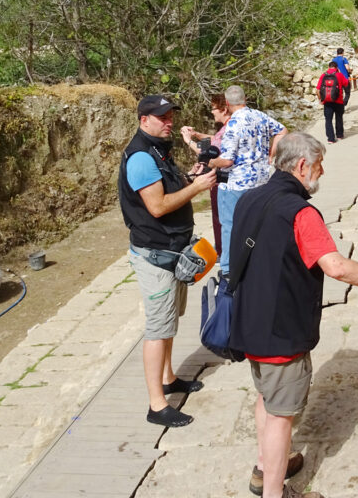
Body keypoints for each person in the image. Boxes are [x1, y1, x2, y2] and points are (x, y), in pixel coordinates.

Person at [230, 132, 358, 498]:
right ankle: (275, 492)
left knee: (266, 397)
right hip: (281, 329)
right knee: (280, 416)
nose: (322, 172)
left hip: (248, 321)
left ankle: (265, 466)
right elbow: (336, 266)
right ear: (302, 165)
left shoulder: (249, 198)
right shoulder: (301, 212)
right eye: (319, 164)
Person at [118, 95, 217, 428]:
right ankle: (157, 405)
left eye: (171, 115)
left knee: (170, 320)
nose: (169, 121)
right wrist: (197, 188)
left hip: (172, 251)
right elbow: (158, 207)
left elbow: (168, 187)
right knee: (158, 329)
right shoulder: (141, 158)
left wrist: (189, 178)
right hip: (155, 255)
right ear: (143, 120)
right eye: (162, 117)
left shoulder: (158, 149)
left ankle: (168, 378)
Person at [204, 86, 288, 278]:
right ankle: (259, 260)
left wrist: (211, 162)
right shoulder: (259, 116)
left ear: (226, 103)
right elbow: (282, 130)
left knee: (229, 224)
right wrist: (271, 153)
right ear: (245, 98)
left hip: (237, 183)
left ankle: (228, 267)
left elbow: (227, 160)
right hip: (261, 180)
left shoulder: (233, 124)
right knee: (258, 222)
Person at [180, 93, 229, 255]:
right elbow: (215, 140)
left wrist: (188, 140)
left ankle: (222, 251)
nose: (212, 112)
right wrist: (197, 134)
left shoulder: (229, 128)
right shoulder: (229, 127)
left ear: (224, 109)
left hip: (222, 181)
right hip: (223, 180)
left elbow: (208, 153)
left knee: (220, 217)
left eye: (214, 108)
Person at [316, 61, 349, 143]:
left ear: (328, 67)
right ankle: (339, 135)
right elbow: (346, 83)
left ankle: (330, 138)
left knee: (328, 120)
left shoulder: (323, 75)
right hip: (339, 101)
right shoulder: (339, 75)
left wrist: (321, 100)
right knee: (339, 118)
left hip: (327, 101)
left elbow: (317, 90)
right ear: (336, 68)